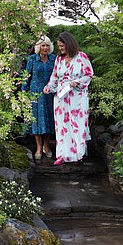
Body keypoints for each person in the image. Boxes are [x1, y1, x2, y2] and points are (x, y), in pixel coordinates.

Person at [43, 31, 93, 165]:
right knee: (62, 125)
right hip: (61, 96)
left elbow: (89, 74)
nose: (60, 49)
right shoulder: (59, 59)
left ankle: (78, 155)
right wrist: (48, 87)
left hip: (77, 96)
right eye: (59, 46)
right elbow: (54, 76)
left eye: (62, 46)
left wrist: (76, 82)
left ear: (69, 44)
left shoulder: (81, 57)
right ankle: (62, 155)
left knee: (77, 123)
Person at [22, 35, 57, 160]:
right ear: (38, 47)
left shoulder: (54, 59)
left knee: (48, 120)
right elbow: (26, 76)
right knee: (36, 121)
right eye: (43, 45)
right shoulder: (32, 59)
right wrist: (23, 91)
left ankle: (46, 146)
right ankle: (38, 147)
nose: (45, 48)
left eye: (47, 45)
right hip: (35, 93)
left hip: (50, 93)